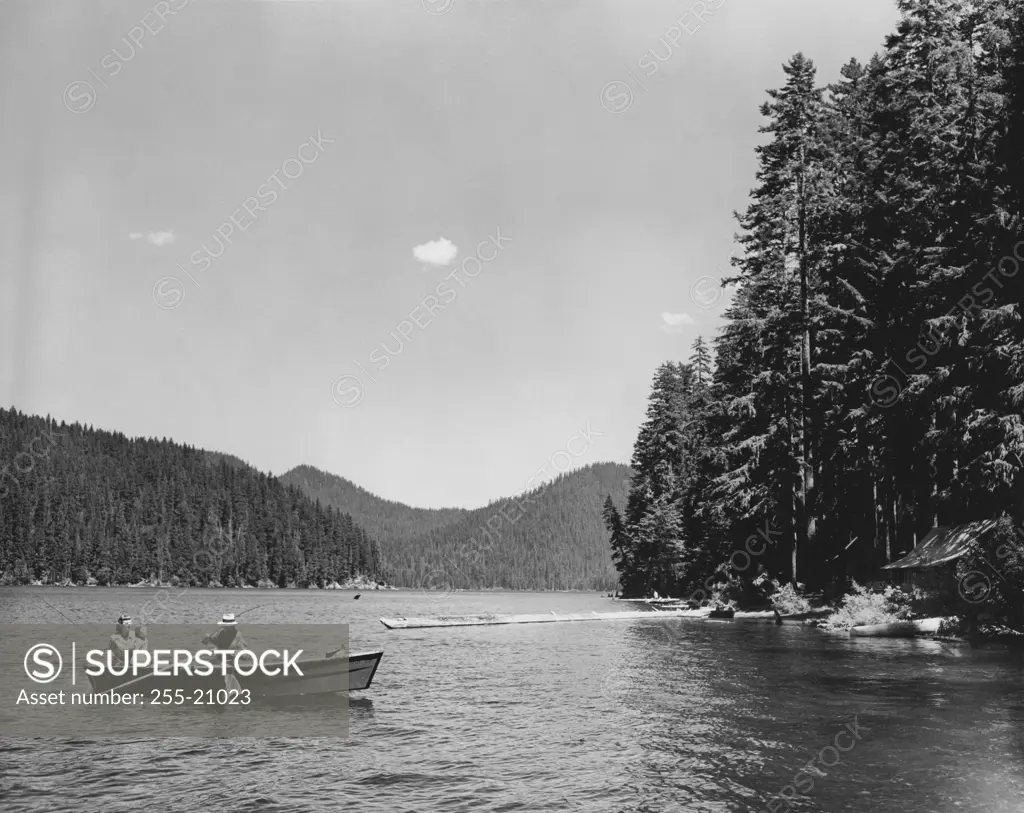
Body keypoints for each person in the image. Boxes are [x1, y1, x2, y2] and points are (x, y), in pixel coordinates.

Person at [200, 613, 247, 692]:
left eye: (226, 626)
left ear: (231, 626)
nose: (224, 627)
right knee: (205, 666)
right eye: (224, 625)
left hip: (229, 660)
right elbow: (216, 641)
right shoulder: (221, 633)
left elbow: (242, 650)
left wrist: (238, 652)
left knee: (227, 674)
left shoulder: (237, 635)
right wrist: (208, 639)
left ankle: (232, 691)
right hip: (219, 658)